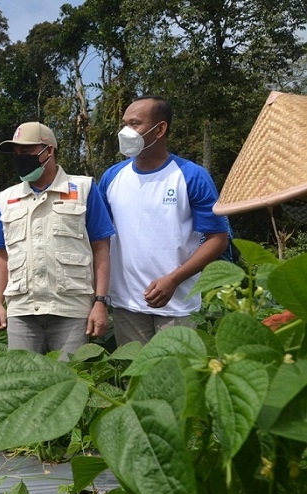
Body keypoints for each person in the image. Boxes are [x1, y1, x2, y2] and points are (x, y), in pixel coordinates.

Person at [98, 95, 229, 346]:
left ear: (160, 129)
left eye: (135, 124)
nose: (126, 131)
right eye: (124, 124)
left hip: (177, 305)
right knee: (135, 380)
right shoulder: (112, 177)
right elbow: (100, 240)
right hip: (127, 304)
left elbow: (217, 239)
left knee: (177, 380)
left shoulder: (191, 176)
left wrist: (173, 280)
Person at [0, 122, 115, 359]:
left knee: (70, 382)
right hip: (22, 309)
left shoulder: (83, 188)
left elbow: (101, 248)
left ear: (49, 151)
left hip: (71, 308)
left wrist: (100, 301)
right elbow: (2, 256)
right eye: (16, 154)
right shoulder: (6, 199)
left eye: (26, 152)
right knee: (22, 382)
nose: (20, 159)